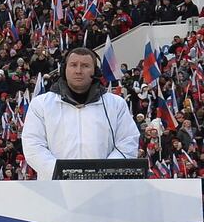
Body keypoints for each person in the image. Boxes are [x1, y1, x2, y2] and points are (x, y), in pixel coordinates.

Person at [21, 47, 141, 178]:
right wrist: (62, 173)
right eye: (73, 65)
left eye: (85, 66)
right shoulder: (41, 104)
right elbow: (33, 145)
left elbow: (128, 142)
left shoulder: (116, 104)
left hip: (104, 187)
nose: (78, 71)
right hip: (56, 189)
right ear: (64, 69)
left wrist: (104, 173)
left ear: (96, 71)